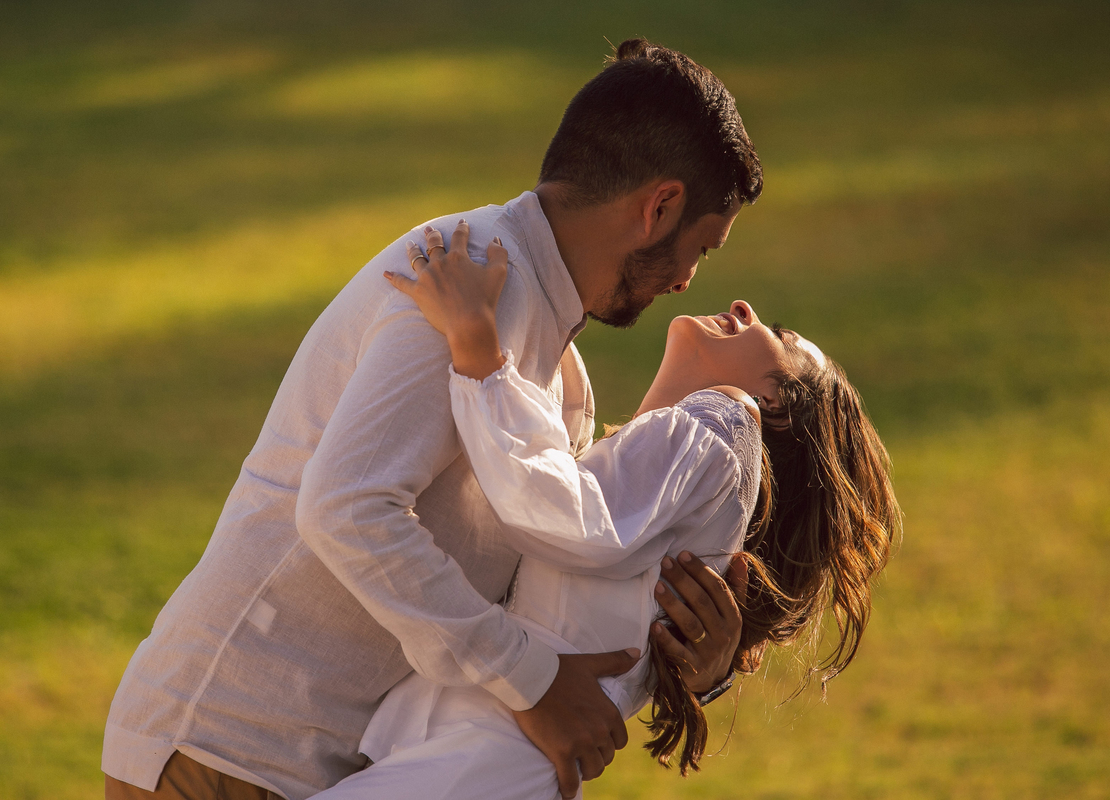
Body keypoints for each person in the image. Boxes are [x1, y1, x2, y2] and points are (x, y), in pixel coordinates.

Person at [102, 38, 763, 800]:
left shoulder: (555, 370)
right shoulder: (456, 274)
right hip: (227, 750)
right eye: (702, 249)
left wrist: (697, 664)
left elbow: (560, 588)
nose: (686, 281)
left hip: (334, 767)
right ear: (660, 206)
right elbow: (345, 509)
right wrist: (534, 685)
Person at [304, 223, 900, 799]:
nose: (744, 307)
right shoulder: (686, 479)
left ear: (772, 406)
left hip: (490, 756)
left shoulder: (721, 425)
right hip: (496, 755)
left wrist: (478, 348)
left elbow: (565, 517)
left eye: (778, 336)